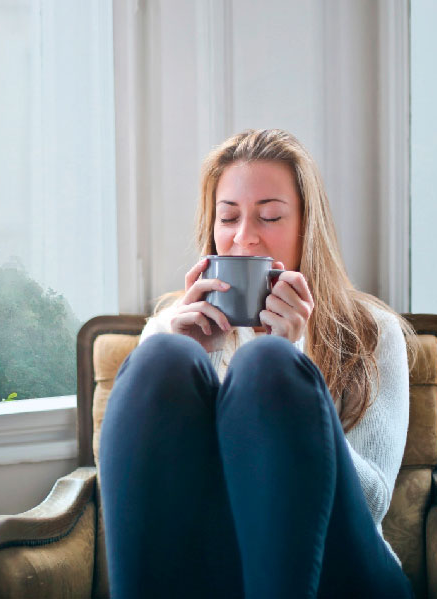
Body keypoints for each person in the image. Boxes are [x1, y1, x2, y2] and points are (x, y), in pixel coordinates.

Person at [98, 129, 415, 598]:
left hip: (344, 568)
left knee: (268, 364)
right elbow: (130, 499)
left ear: (308, 225)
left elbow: (370, 504)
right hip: (215, 567)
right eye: (228, 218)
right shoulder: (171, 327)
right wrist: (196, 360)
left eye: (269, 217)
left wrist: (295, 357)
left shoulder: (372, 331)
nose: (244, 238)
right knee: (163, 355)